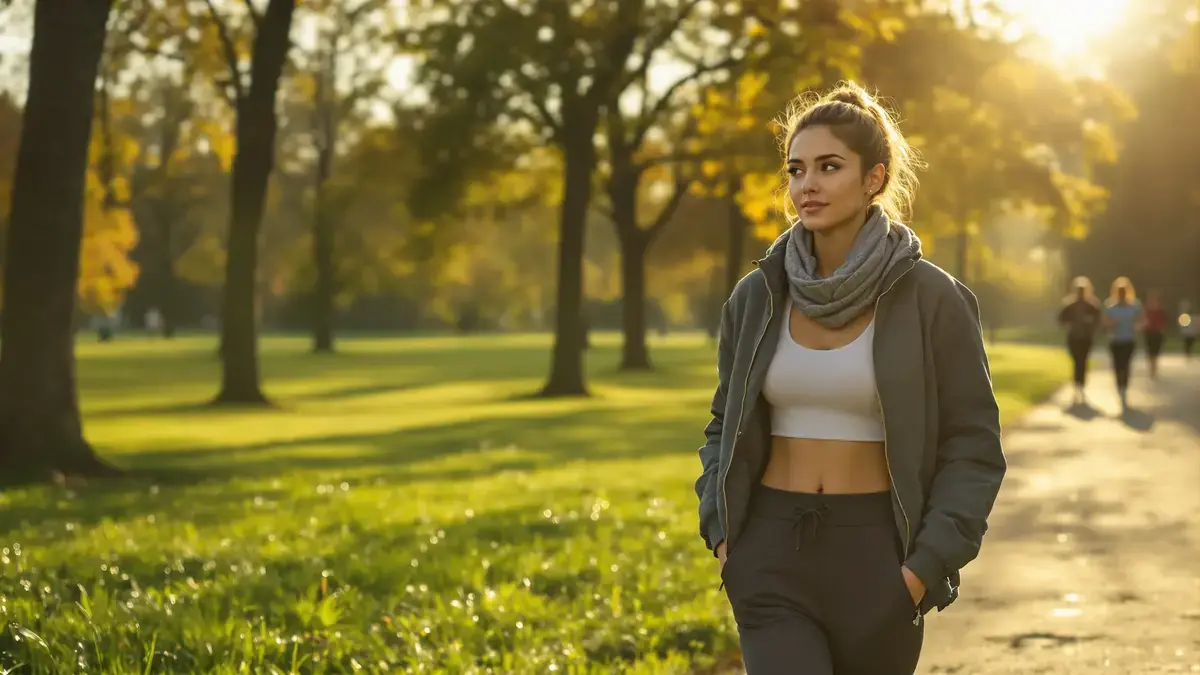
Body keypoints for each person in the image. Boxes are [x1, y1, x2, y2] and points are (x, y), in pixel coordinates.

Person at [694, 82, 1004, 675]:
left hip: (879, 558)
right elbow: (722, 424)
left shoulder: (933, 299)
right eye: (796, 169)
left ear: (874, 179)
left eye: (829, 167)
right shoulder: (757, 296)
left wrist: (920, 570)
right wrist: (725, 538)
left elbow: (973, 446)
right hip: (769, 550)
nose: (806, 185)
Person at [1057, 276, 1103, 404]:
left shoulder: (1092, 305)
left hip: (1086, 338)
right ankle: (1077, 384)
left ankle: (1080, 385)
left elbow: (1098, 320)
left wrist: (1091, 325)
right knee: (1077, 361)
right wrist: (1069, 324)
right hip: (1074, 337)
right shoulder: (1069, 305)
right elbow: (1061, 319)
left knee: (1082, 361)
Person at [1102, 277, 1143, 410]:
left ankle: (1124, 387)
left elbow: (1141, 321)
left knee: (1126, 365)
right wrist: (1111, 323)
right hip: (1115, 341)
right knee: (1117, 365)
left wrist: (1137, 326)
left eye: (1123, 291)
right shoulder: (1110, 306)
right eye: (1119, 292)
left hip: (1129, 340)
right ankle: (1119, 387)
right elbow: (1105, 323)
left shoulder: (1135, 306)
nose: (1121, 294)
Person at [1141, 291, 1167, 379]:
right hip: (1148, 332)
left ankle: (1154, 367)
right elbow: (1143, 320)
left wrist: (1161, 328)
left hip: (1157, 333)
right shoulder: (1146, 310)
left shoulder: (1160, 310)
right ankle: (1151, 368)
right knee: (1150, 351)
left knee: (1156, 351)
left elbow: (1163, 321)